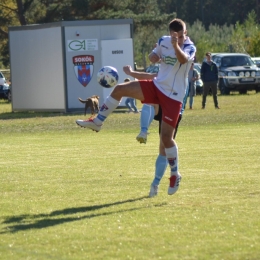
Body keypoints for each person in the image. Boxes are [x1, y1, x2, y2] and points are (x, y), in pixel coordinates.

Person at [76, 18, 196, 196]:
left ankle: (174, 174)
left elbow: (183, 60)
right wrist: (153, 56)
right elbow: (153, 57)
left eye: (179, 36)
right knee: (119, 89)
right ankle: (99, 122)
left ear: (184, 34)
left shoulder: (189, 47)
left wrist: (176, 45)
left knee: (166, 139)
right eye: (173, 36)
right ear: (169, 32)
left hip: (174, 97)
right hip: (157, 86)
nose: (175, 39)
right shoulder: (164, 40)